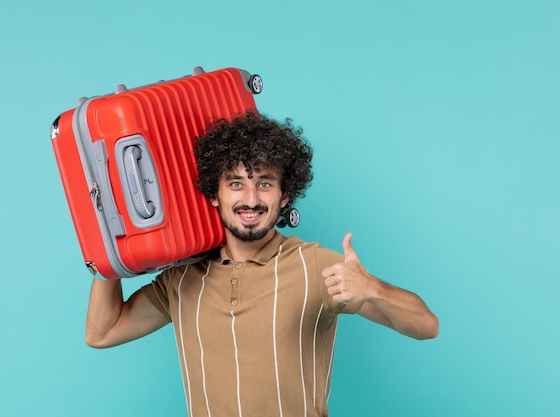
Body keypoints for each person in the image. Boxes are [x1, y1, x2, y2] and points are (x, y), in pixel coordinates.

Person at [85, 111, 439, 417]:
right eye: (236, 183)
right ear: (214, 193)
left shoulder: (316, 265)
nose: (250, 200)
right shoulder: (181, 277)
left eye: (264, 183)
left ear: (284, 195)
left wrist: (374, 289)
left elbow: (426, 325)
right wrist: (106, 241)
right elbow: (103, 332)